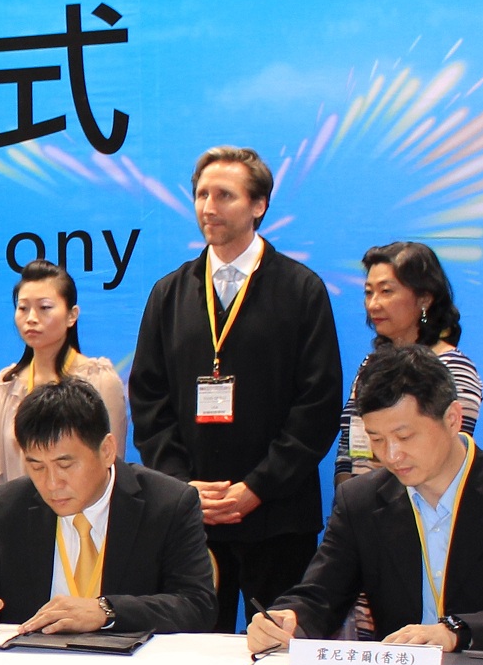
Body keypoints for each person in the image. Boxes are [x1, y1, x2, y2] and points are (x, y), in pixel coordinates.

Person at [129, 146, 342, 631]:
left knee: (279, 650)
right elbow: (148, 400)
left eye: (224, 195)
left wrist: (258, 488)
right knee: (191, 652)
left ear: (258, 205)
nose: (209, 207)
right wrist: (181, 487)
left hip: (278, 514)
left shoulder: (300, 289)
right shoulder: (169, 293)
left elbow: (318, 403)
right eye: (202, 194)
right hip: (191, 517)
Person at [249, 345, 483, 654]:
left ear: (452, 419)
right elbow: (321, 596)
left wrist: (456, 632)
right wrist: (289, 619)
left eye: (405, 436)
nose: (391, 455)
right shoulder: (360, 500)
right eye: (377, 439)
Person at [0, 378, 212, 634]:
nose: (52, 483)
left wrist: (107, 611)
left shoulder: (168, 504)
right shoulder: (11, 505)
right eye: (36, 466)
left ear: (106, 450)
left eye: (65, 465)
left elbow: (197, 605)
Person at [0, 260, 127, 531]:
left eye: (44, 308)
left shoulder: (100, 381)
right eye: (23, 308)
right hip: (20, 532)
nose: (31, 318)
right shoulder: (5, 388)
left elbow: (112, 470)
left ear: (72, 315)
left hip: (88, 532)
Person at [338, 242, 482, 481]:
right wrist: (346, 496)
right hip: (361, 499)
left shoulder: (452, 367)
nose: (373, 304)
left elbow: (447, 455)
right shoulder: (371, 365)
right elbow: (348, 448)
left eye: (386, 291)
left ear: (424, 298)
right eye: (369, 292)